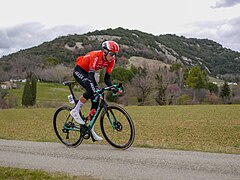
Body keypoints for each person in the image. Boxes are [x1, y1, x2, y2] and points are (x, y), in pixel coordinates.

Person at [70, 40, 121, 141]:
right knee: (91, 89)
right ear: (105, 52)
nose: (113, 56)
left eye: (115, 54)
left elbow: (107, 79)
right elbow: (91, 76)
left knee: (96, 99)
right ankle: (75, 110)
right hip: (79, 71)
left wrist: (114, 88)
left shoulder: (111, 61)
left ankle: (91, 128)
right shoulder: (95, 56)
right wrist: (95, 90)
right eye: (111, 54)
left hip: (89, 74)